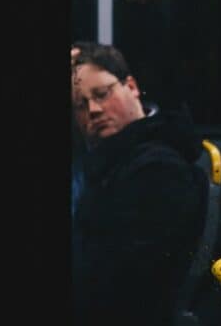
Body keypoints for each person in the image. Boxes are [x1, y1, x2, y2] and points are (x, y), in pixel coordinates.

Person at [70, 42, 209, 325]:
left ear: (131, 86)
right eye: (80, 104)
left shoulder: (157, 169)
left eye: (102, 94)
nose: (93, 110)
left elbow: (124, 282)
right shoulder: (112, 163)